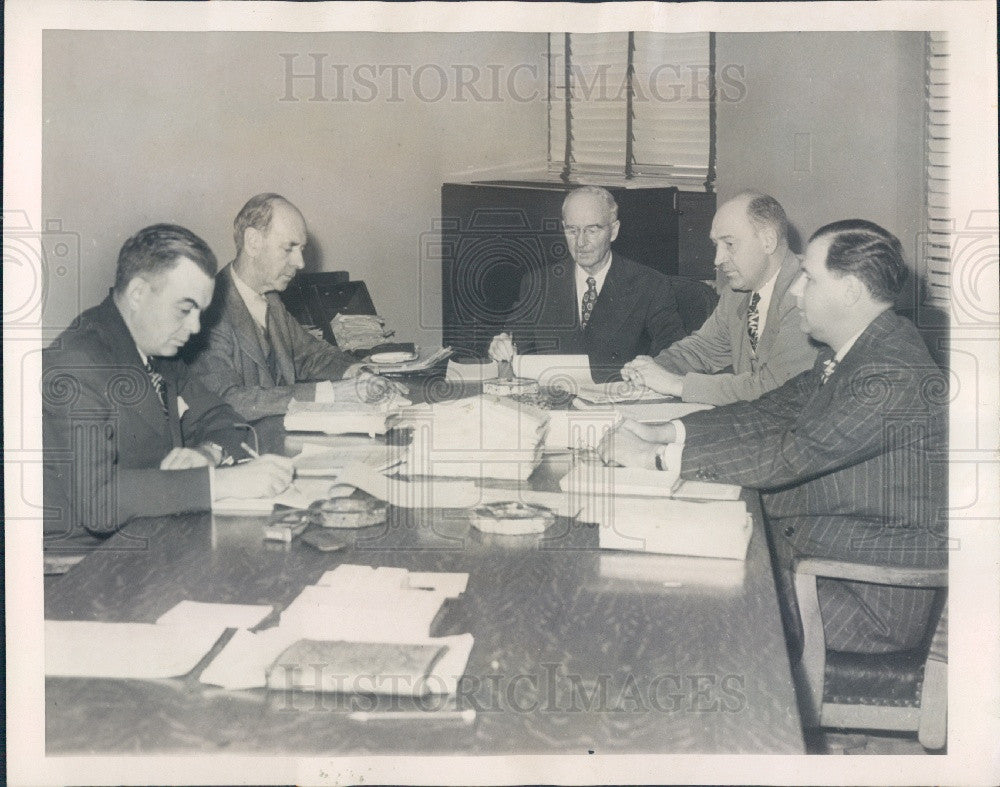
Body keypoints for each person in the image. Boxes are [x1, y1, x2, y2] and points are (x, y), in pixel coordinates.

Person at [599, 220, 947, 654]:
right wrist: (666, 430)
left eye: (810, 278)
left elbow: (792, 454)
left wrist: (656, 459)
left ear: (852, 291)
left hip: (859, 594)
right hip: (816, 553)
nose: (797, 290)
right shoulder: (859, 348)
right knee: (657, 567)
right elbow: (766, 411)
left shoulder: (891, 372)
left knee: (674, 596)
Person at [43, 224, 294, 550]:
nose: (194, 328)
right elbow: (99, 502)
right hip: (88, 560)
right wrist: (221, 482)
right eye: (184, 309)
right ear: (137, 293)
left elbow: (227, 421)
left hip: (156, 530)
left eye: (199, 313)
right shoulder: (78, 362)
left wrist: (208, 454)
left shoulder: (157, 348)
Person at [185, 193, 403, 419]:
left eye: (301, 249)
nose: (300, 263)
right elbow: (227, 400)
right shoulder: (208, 310)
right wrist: (328, 393)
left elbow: (312, 355)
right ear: (253, 243)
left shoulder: (271, 299)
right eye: (289, 248)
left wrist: (359, 373)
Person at [621, 192, 817, 404]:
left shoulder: (808, 294)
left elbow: (776, 387)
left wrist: (676, 384)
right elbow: (703, 349)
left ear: (768, 241)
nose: (718, 259)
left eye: (729, 244)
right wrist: (653, 369)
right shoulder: (737, 292)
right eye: (716, 245)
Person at [488, 186, 686, 383]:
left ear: (614, 231)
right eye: (572, 230)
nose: (580, 242)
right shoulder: (538, 284)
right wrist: (502, 347)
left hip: (620, 402)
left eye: (592, 230)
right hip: (554, 401)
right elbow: (512, 345)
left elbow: (674, 354)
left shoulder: (650, 285)